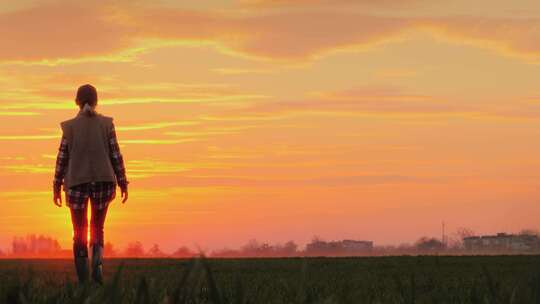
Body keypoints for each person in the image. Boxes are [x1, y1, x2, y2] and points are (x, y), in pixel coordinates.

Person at [52, 84, 129, 284]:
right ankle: (97, 266)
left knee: (79, 230)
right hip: (104, 181)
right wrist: (123, 181)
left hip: (77, 182)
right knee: (98, 227)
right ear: (96, 101)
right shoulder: (107, 124)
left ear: (77, 102)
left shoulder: (69, 127)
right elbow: (115, 154)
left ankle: (83, 279)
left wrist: (56, 185)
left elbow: (62, 158)